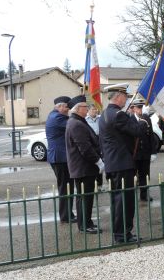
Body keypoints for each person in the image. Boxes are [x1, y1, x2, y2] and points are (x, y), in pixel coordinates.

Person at [99, 83, 148, 244]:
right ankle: (123, 235)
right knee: (124, 202)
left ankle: (120, 234)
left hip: (113, 163)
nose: (126, 100)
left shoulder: (105, 114)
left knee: (117, 201)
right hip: (122, 164)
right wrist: (142, 120)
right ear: (118, 97)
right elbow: (137, 131)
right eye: (125, 97)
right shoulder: (119, 115)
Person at [65, 95, 104, 234]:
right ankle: (85, 225)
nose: (87, 108)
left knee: (84, 197)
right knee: (84, 197)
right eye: (85, 106)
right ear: (78, 109)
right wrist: (98, 161)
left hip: (84, 167)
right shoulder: (76, 124)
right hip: (83, 167)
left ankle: (86, 222)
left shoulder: (78, 121)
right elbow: (85, 148)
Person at [46, 95, 76, 224]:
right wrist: (75, 112)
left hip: (60, 157)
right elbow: (73, 124)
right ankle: (65, 216)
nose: (68, 109)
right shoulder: (57, 117)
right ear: (60, 106)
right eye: (66, 107)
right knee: (65, 187)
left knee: (67, 186)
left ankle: (68, 213)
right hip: (60, 157)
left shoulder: (55, 115)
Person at [131, 98, 157, 201]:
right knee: (132, 176)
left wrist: (153, 152)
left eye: (142, 107)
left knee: (145, 175)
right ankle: (131, 195)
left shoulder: (147, 119)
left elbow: (151, 136)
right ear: (133, 109)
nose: (140, 110)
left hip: (145, 152)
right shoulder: (130, 119)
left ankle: (144, 194)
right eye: (138, 107)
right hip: (134, 153)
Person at [85, 104, 103, 189]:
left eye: (96, 109)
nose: (95, 111)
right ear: (88, 110)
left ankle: (100, 185)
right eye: (93, 109)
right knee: (93, 165)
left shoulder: (100, 119)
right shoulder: (85, 120)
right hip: (91, 144)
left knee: (100, 164)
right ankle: (93, 185)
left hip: (99, 143)